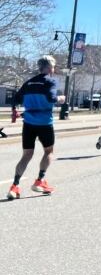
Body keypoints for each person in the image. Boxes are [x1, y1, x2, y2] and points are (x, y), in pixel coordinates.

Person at [6, 56, 65, 199]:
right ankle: (39, 181)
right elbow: (51, 98)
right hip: (45, 123)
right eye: (54, 66)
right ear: (50, 67)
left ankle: (14, 186)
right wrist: (60, 99)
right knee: (49, 152)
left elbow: (15, 99)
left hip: (29, 124)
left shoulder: (29, 83)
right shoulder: (50, 81)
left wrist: (16, 110)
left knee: (26, 155)